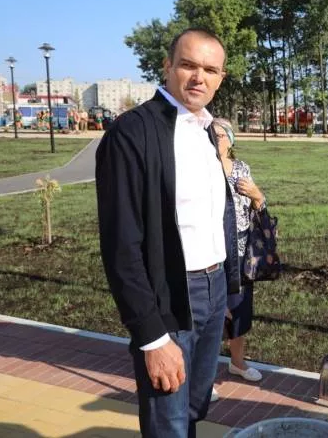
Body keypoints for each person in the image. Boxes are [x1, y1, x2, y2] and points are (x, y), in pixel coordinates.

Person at [95, 28, 241, 437]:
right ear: (168, 66)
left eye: (210, 70)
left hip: (213, 291)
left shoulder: (208, 131)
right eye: (188, 65)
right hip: (171, 294)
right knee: (168, 422)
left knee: (193, 410)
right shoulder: (132, 133)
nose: (199, 78)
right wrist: (152, 338)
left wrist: (225, 289)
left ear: (221, 77)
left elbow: (214, 217)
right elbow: (121, 246)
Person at [210, 118, 264, 401]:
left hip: (242, 252)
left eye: (221, 135)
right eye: (211, 134)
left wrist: (257, 195)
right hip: (212, 251)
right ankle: (204, 377)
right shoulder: (204, 168)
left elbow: (258, 206)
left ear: (231, 140)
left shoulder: (242, 168)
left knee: (239, 309)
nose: (216, 139)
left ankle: (237, 363)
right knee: (212, 314)